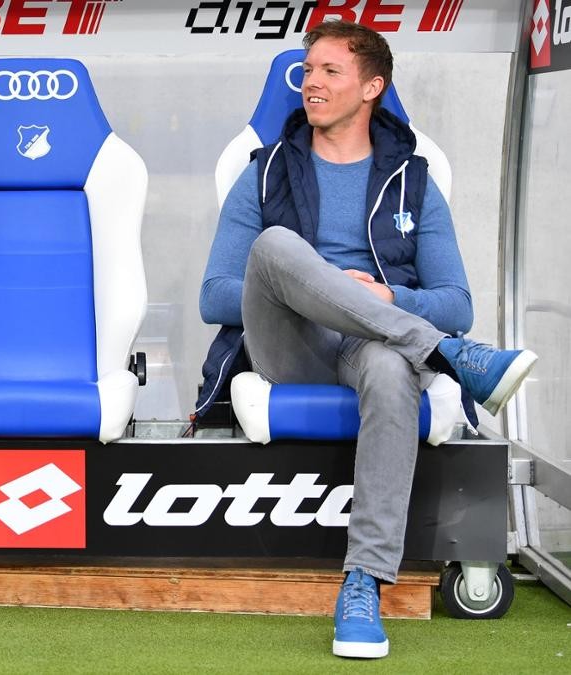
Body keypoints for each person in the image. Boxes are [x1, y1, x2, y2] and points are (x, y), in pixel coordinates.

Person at [199, 20, 537, 659]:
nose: (311, 84)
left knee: (389, 366)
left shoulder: (413, 181)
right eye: (308, 71)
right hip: (289, 345)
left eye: (330, 71)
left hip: (374, 348)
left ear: (372, 87)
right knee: (275, 246)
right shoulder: (263, 172)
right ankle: (455, 361)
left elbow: (456, 301)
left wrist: (383, 298)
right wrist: (317, 281)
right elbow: (216, 295)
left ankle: (363, 585)